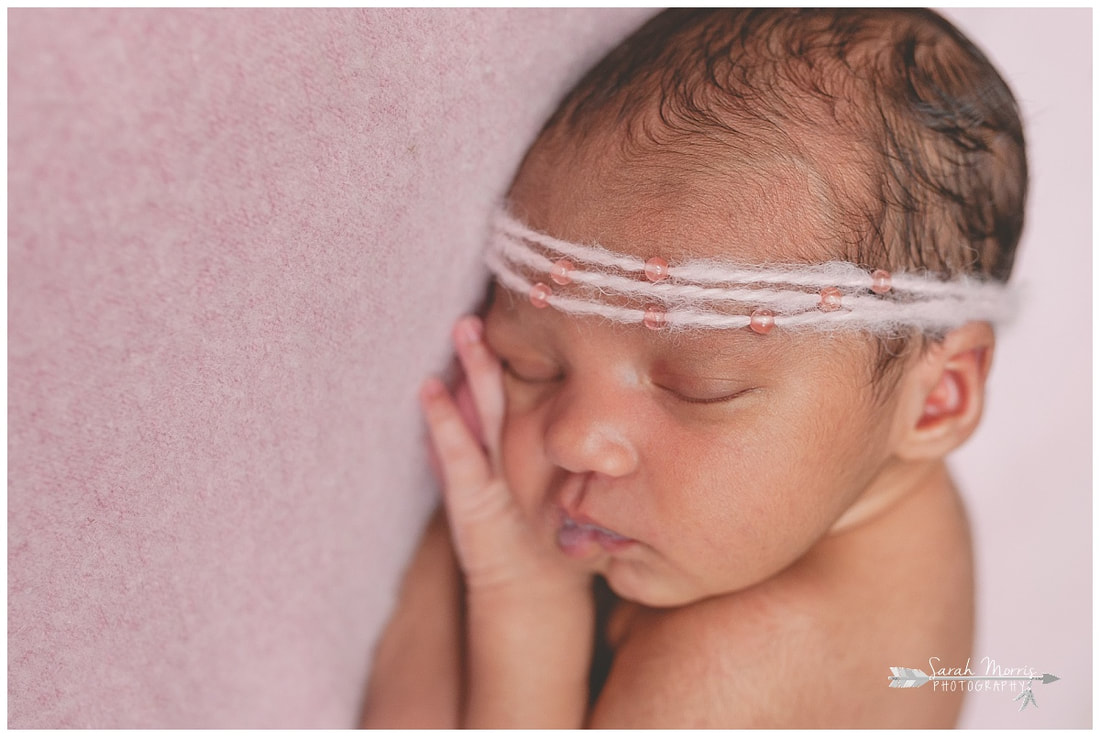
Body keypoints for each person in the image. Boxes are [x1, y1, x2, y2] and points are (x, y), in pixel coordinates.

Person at [361, 8, 1027, 728]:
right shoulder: (872, 461)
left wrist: (522, 595)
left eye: (697, 386)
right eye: (530, 365)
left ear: (939, 397)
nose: (573, 438)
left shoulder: (730, 674)